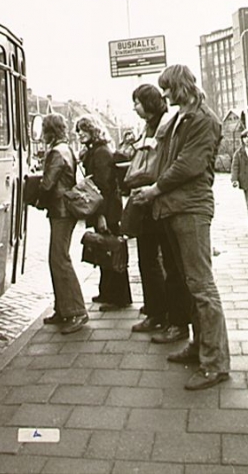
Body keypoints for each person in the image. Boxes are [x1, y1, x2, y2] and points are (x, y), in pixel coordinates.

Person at [132, 64, 230, 390]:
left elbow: (188, 165)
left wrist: (154, 189)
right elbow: (166, 159)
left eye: (167, 88)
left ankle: (215, 363)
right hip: (175, 209)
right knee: (191, 285)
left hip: (190, 209)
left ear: (180, 86)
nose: (164, 94)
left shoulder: (203, 119)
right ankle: (200, 348)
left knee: (202, 287)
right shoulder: (180, 118)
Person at [126, 84, 192, 339]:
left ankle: (174, 320)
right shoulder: (148, 127)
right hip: (146, 199)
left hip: (161, 199)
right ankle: (156, 312)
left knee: (170, 264)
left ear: (149, 102)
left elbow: (161, 162)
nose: (135, 107)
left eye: (137, 102)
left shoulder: (166, 124)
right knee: (147, 259)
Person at [36, 113, 89, 335]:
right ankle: (63, 309)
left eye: (45, 131)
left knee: (60, 259)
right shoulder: (65, 148)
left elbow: (48, 183)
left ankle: (77, 311)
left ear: (50, 131)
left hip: (62, 210)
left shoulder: (57, 152)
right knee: (57, 259)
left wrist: (35, 193)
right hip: (64, 209)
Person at [76, 114, 132, 311]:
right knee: (104, 249)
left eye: (84, 130)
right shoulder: (96, 150)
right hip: (106, 207)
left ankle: (118, 297)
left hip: (107, 209)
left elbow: (102, 186)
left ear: (93, 131)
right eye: (79, 131)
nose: (80, 134)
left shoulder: (100, 153)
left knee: (112, 249)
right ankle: (108, 292)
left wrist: (101, 216)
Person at [231, 129, 248, 212]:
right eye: (245, 137)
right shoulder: (238, 153)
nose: (247, 139)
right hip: (246, 181)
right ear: (242, 139)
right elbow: (235, 166)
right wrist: (234, 180)